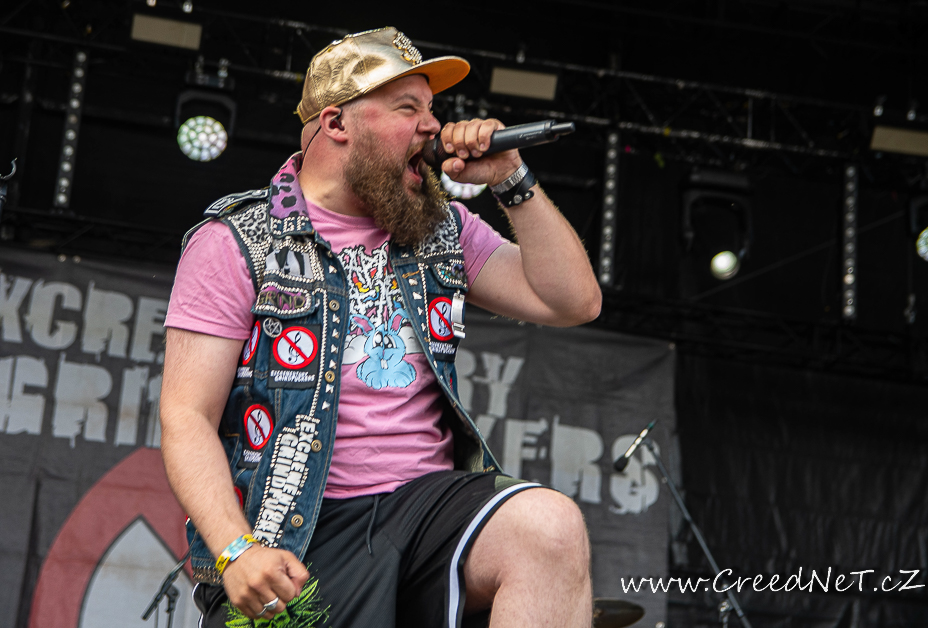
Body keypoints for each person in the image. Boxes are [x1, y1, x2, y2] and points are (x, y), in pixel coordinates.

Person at [160, 27, 602, 628]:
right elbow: (186, 417)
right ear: (337, 123)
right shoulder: (237, 241)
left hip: (425, 514)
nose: (433, 126)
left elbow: (574, 301)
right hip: (296, 536)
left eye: (432, 109)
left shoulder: (443, 229)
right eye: (407, 108)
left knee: (549, 527)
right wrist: (236, 549)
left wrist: (510, 177)